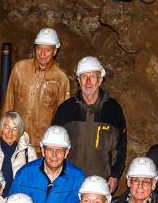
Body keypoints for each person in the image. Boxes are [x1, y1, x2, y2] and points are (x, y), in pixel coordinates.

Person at [52, 56, 127, 192]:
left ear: (100, 79)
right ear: (78, 80)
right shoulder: (66, 110)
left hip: (100, 181)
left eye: (92, 76)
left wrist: (115, 175)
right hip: (69, 181)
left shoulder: (113, 109)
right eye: (84, 76)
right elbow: (53, 146)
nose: (88, 82)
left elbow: (120, 147)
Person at [11, 125, 86, 203]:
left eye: (59, 150)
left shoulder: (77, 178)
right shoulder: (25, 175)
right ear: (42, 150)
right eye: (50, 149)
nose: (54, 155)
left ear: (66, 152)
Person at [2, 28, 70, 146]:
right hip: (16, 140)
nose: (42, 53)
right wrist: (4, 132)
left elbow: (62, 117)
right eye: (39, 48)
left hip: (42, 144)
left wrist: (54, 144)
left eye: (47, 50)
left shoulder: (61, 78)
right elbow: (9, 102)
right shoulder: (20, 69)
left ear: (55, 51)